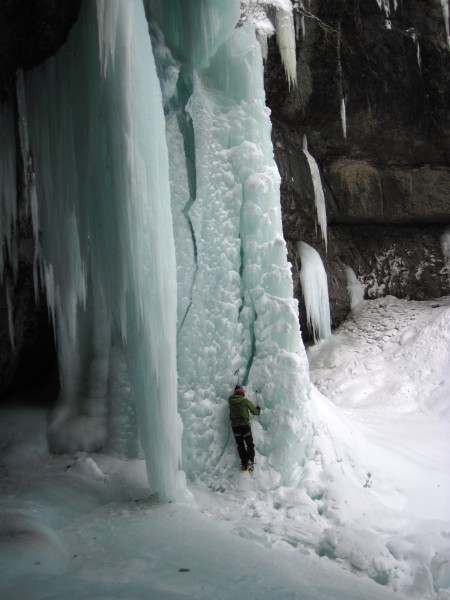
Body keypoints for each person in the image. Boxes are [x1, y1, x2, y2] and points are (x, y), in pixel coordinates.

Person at [228, 385, 261, 471]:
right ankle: (250, 462)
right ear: (242, 394)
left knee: (240, 445)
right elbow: (255, 412)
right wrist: (258, 410)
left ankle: (244, 464)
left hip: (235, 427)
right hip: (244, 426)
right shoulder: (244, 401)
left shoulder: (230, 401)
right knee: (249, 444)